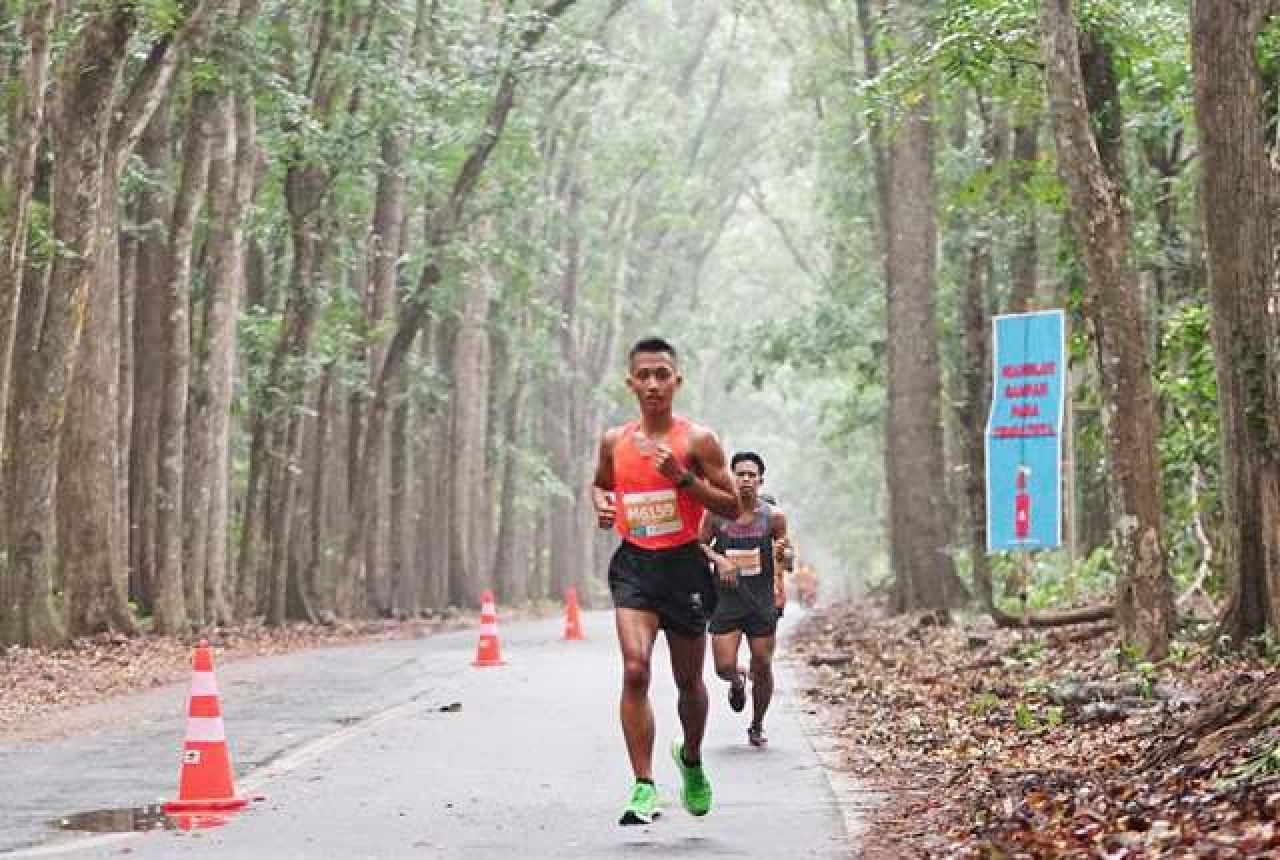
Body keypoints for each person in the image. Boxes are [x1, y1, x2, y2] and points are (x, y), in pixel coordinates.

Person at [592, 336, 741, 826]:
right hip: (635, 564)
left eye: (662, 374)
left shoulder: (698, 440)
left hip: (684, 568)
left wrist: (683, 478)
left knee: (687, 681)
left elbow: (732, 505)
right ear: (630, 383)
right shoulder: (614, 441)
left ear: (676, 381)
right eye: (644, 375)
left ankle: (692, 759)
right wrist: (600, 502)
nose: (653, 384)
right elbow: (600, 483)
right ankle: (643, 786)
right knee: (635, 670)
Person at [700, 451, 792, 748]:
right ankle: (738, 682)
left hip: (761, 600)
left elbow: (786, 557)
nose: (746, 479)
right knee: (723, 667)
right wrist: (719, 560)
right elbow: (698, 545)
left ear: (761, 481)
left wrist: (786, 556)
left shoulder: (774, 517)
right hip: (726, 600)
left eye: (752, 475)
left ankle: (756, 724)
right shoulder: (716, 514)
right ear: (732, 478)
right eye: (740, 474)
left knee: (763, 664)